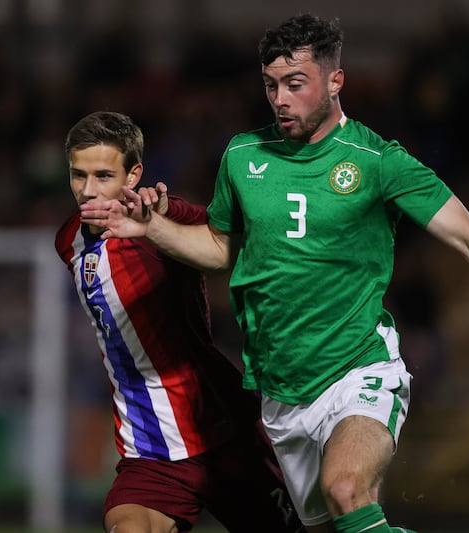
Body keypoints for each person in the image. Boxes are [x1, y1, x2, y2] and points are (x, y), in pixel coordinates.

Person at [79, 15, 469, 533]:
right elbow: (221, 249)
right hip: (281, 391)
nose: (280, 98)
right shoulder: (243, 156)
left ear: (336, 81)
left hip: (358, 368)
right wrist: (150, 228)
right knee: (336, 522)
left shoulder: (379, 161)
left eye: (295, 83)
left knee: (346, 490)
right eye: (271, 85)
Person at [54, 111, 303, 533]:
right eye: (78, 175)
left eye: (102, 175)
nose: (88, 191)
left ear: (133, 176)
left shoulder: (158, 226)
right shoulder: (69, 240)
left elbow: (222, 234)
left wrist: (165, 211)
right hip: (148, 449)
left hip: (223, 433)